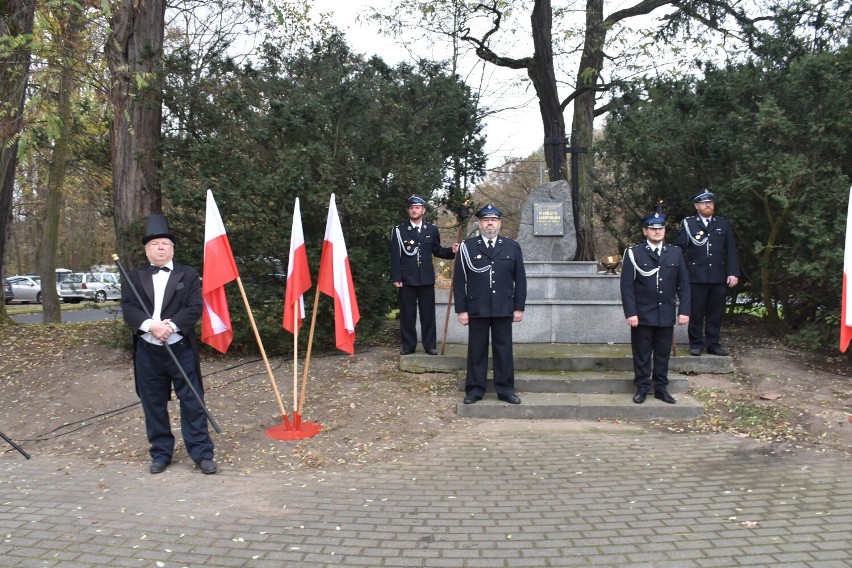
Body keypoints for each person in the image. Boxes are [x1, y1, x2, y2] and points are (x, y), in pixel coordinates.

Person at [120, 214, 217, 475]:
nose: (160, 247)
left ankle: (201, 452)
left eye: (164, 243)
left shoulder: (188, 273)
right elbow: (128, 307)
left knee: (192, 400)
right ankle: (161, 453)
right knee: (152, 402)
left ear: (172, 248)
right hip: (148, 350)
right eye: (154, 244)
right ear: (146, 250)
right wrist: (151, 326)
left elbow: (194, 306)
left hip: (180, 347)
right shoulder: (133, 276)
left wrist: (170, 326)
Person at [453, 204, 526, 405]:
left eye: (493, 220)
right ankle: (475, 390)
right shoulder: (468, 248)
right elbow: (459, 282)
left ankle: (506, 390)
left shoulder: (512, 246)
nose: (490, 224)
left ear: (500, 223)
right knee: (477, 350)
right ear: (480, 224)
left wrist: (519, 307)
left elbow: (520, 279)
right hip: (477, 307)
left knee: (504, 350)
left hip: (504, 307)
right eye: (486, 220)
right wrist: (462, 310)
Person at [620, 209, 690, 404]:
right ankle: (642, 387)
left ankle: (661, 388)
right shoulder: (634, 253)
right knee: (642, 353)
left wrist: (684, 311)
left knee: (662, 353)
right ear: (645, 231)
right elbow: (626, 286)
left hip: (665, 312)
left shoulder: (675, 253)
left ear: (665, 231)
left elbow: (683, 284)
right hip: (642, 314)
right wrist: (631, 313)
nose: (657, 232)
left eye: (661, 229)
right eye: (653, 229)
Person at [390, 195, 459, 355]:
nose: (415, 210)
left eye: (418, 207)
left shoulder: (431, 229)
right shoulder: (399, 231)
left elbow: (437, 250)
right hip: (406, 280)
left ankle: (430, 346)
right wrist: (396, 277)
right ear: (408, 210)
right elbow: (395, 255)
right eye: (412, 207)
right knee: (408, 315)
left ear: (423, 210)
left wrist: (452, 251)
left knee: (428, 314)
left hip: (426, 279)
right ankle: (408, 346)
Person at [674, 190, 740, 356]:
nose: (708, 204)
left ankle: (713, 344)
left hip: (718, 276)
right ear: (697, 206)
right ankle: (696, 344)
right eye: (704, 202)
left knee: (715, 313)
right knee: (696, 313)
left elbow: (731, 250)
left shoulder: (722, 224)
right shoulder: (689, 224)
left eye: (710, 202)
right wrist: (677, 272)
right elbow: (679, 249)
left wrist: (733, 272)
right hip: (696, 276)